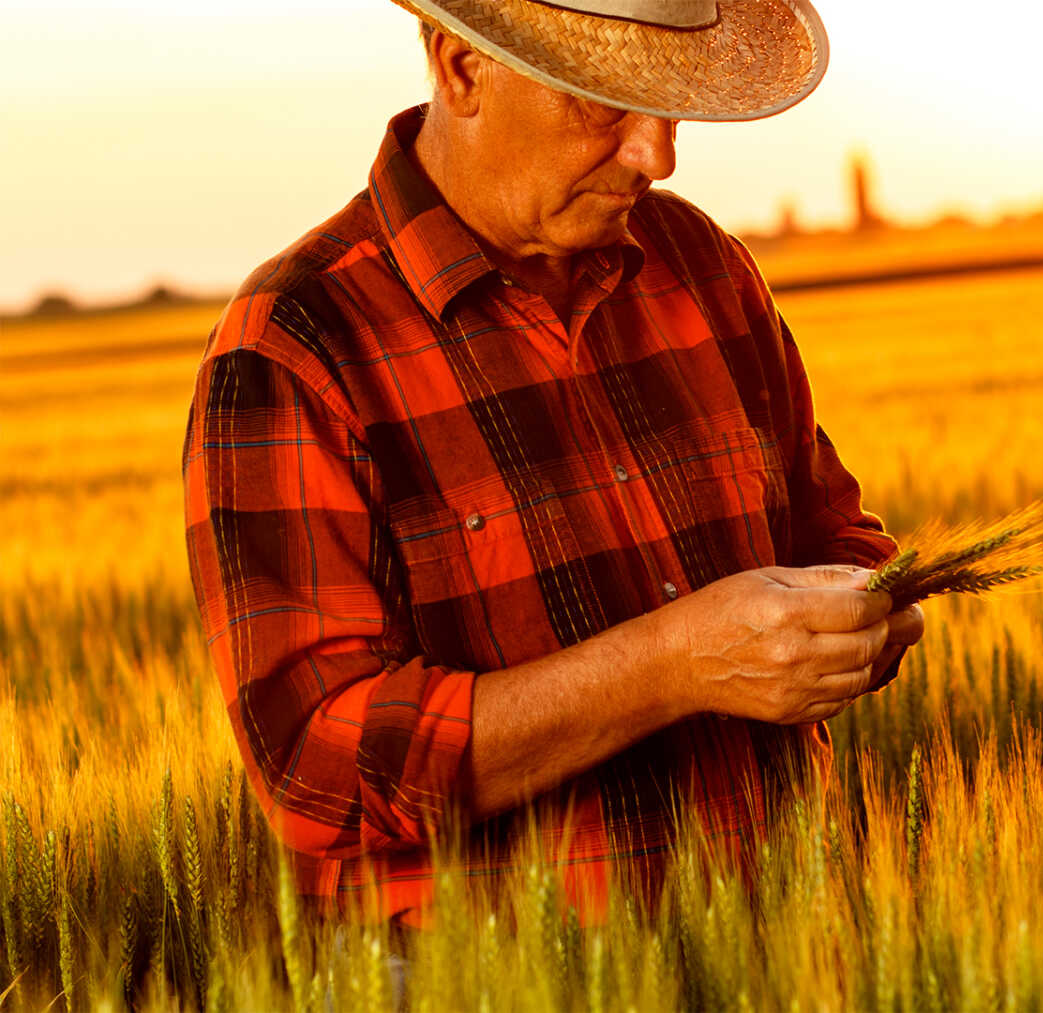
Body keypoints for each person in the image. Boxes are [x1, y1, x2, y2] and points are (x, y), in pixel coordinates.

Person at [182, 0, 923, 924]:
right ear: (462, 69)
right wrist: (673, 664)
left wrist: (858, 613)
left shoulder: (704, 266)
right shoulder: (296, 344)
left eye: (669, 105)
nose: (659, 156)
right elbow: (315, 769)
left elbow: (831, 530)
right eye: (605, 104)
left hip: (791, 943)